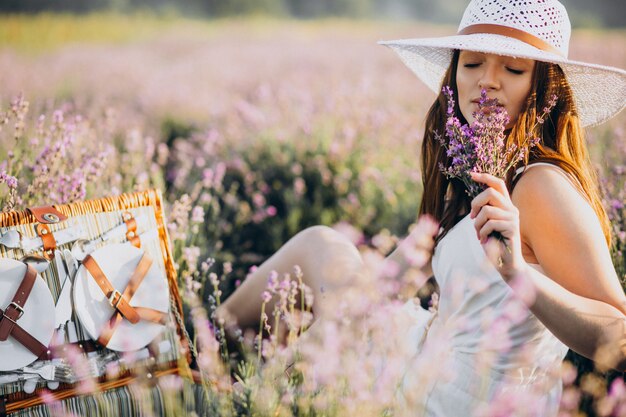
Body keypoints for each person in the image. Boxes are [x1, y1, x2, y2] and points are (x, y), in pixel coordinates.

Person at [216, 0, 626, 414]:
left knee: (322, 268)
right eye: (472, 64)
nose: (487, 81)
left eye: (514, 69)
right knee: (324, 253)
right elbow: (394, 280)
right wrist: (331, 333)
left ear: (545, 89)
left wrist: (518, 273)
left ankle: (200, 359)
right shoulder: (482, 174)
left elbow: (620, 337)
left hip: (448, 404)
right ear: (454, 77)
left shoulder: (540, 186)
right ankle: (209, 358)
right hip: (425, 371)